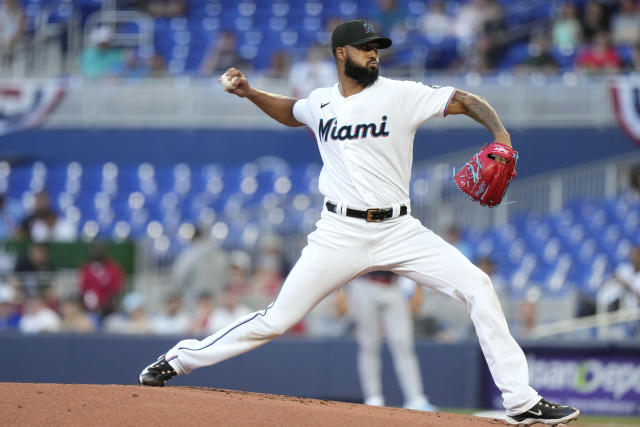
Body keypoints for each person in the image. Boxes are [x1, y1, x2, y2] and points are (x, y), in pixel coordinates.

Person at [139, 20, 580, 425]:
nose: (374, 54)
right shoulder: (321, 102)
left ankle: (521, 401)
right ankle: (179, 360)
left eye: (377, 48)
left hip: (399, 230)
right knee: (276, 319)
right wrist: (251, 93)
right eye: (365, 48)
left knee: (477, 286)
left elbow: (464, 99)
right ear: (340, 54)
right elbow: (293, 110)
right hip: (339, 233)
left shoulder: (400, 94)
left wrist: (500, 135)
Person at [344, 272, 436, 411]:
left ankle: (415, 398)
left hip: (393, 284)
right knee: (369, 344)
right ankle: (373, 397)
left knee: (403, 344)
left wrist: (417, 286)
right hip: (364, 283)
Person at [79, 242, 125, 318]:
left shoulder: (113, 268)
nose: (96, 252)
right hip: (89, 310)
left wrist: (107, 306)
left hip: (109, 311)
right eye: (94, 249)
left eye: (99, 249)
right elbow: (83, 290)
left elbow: (117, 291)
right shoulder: (86, 269)